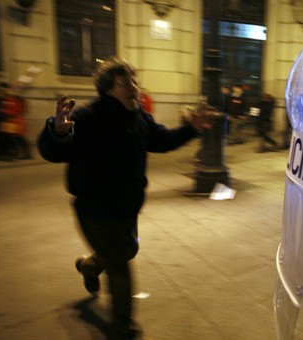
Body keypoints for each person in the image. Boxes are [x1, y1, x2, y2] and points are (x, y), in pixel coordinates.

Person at [37, 56, 212, 338]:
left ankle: (89, 265)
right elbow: (54, 152)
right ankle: (123, 323)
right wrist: (57, 130)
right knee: (120, 262)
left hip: (126, 207)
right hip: (95, 209)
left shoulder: (139, 117)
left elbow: (162, 141)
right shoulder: (88, 117)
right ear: (108, 89)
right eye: (124, 83)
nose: (133, 86)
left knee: (127, 250)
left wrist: (192, 128)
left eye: (134, 80)